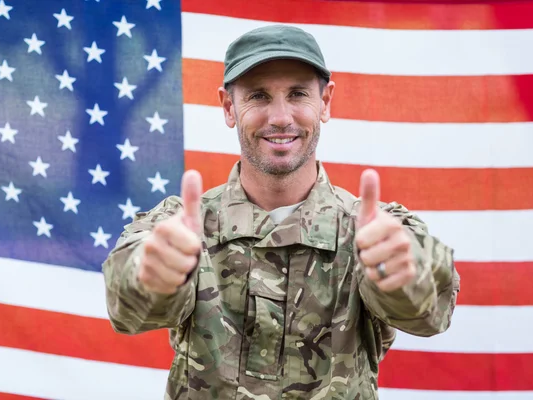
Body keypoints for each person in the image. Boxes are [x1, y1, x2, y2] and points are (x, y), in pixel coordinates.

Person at [102, 24, 460, 399]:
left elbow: (432, 312)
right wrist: (153, 277)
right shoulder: (180, 228)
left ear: (325, 103)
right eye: (258, 96)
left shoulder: (374, 231)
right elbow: (127, 309)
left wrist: (406, 274)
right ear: (228, 107)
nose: (280, 117)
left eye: (298, 94)